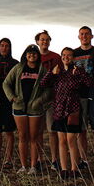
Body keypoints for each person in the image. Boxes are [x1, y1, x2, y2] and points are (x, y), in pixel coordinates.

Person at [42, 47, 94, 179]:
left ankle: (74, 169)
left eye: (69, 55)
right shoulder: (57, 71)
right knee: (61, 140)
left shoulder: (78, 71)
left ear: (73, 57)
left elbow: (90, 83)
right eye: (64, 55)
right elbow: (43, 84)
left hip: (73, 109)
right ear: (61, 56)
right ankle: (64, 169)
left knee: (71, 140)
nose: (66, 57)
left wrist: (80, 74)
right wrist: (51, 73)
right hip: (59, 110)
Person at [3, 45, 51, 174]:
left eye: (34, 53)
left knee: (34, 137)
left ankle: (33, 166)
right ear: (25, 55)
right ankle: (24, 166)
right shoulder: (18, 68)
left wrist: (39, 101)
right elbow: (6, 83)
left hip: (35, 109)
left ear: (38, 55)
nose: (32, 56)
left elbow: (48, 89)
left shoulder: (42, 70)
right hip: (19, 107)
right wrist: (12, 97)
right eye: (29, 53)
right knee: (23, 136)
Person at [73, 26, 94, 169]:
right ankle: (84, 160)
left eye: (87, 34)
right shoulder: (74, 53)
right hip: (79, 95)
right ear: (78, 37)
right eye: (82, 34)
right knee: (81, 130)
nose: (84, 36)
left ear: (92, 36)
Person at [0, 38, 18, 170]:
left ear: (10, 48)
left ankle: (9, 159)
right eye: (2, 46)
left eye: (6, 46)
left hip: (10, 102)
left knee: (9, 131)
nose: (4, 48)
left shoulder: (16, 64)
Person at [35, 30, 62, 171]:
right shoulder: (33, 57)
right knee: (38, 131)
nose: (44, 42)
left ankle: (54, 160)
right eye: (42, 39)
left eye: (46, 39)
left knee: (52, 131)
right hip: (37, 100)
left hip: (52, 99)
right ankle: (39, 159)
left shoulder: (56, 57)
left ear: (50, 41)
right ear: (37, 42)